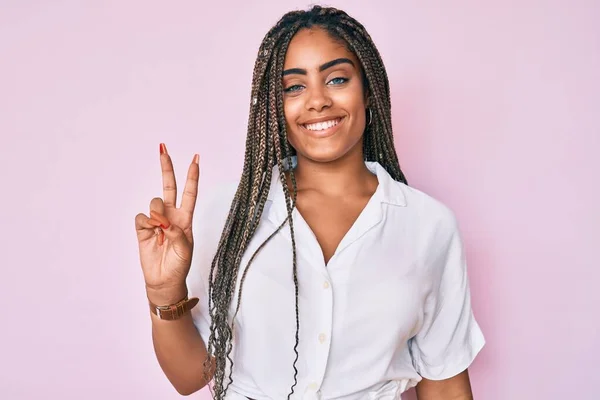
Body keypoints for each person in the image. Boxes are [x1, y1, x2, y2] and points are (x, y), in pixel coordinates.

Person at [134, 5, 485, 400]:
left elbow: (445, 383)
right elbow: (189, 377)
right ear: (274, 107)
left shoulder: (429, 227)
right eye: (294, 87)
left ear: (367, 90)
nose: (317, 101)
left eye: (336, 79)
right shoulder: (231, 213)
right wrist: (164, 293)